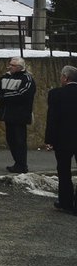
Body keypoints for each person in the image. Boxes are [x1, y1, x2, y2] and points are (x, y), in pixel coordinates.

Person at [0, 57, 36, 173]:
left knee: (19, 140)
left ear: (19, 67)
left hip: (20, 115)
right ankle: (17, 163)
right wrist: (1, 97)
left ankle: (22, 164)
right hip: (7, 114)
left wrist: (4, 97)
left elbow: (22, 94)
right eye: (10, 64)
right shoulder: (5, 77)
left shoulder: (27, 78)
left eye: (12, 65)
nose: (9, 66)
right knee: (11, 139)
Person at [44, 65, 77, 215]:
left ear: (65, 78)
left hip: (63, 139)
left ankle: (66, 202)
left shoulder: (56, 94)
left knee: (64, 171)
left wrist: (49, 139)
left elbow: (52, 119)